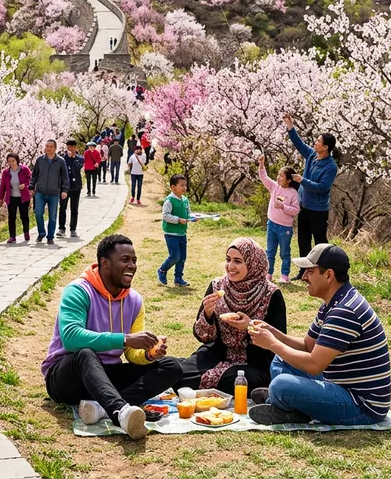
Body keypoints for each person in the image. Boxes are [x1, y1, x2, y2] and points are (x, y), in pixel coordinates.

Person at [41, 235, 183, 440]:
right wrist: (124, 339)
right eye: (125, 260)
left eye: (134, 260)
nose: (132, 266)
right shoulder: (78, 291)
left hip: (106, 378)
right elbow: (71, 338)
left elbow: (132, 354)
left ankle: (101, 408)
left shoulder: (134, 301)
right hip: (67, 378)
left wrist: (148, 355)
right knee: (85, 354)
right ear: (105, 263)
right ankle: (120, 412)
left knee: (171, 366)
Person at [248, 244, 391, 426]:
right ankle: (289, 404)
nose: (304, 277)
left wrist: (272, 344)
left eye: (310, 272)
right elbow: (308, 346)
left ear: (329, 275)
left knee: (280, 384)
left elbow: (315, 365)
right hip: (339, 385)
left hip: (361, 406)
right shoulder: (333, 303)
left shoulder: (344, 312)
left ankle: (284, 402)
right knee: (280, 361)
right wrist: (272, 332)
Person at [178, 238, 287, 396]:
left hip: (254, 361)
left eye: (238, 261)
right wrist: (207, 314)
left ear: (253, 263)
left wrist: (250, 326)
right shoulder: (217, 286)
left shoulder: (271, 294)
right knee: (179, 374)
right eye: (228, 259)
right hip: (216, 354)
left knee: (241, 383)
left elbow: (279, 340)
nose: (230, 266)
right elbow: (203, 337)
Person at [282, 115, 338, 279]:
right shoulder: (312, 156)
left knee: (320, 242)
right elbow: (299, 144)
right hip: (304, 205)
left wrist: (302, 180)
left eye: (318, 141)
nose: (315, 142)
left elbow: (322, 187)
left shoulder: (331, 167)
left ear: (325, 147)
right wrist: (290, 127)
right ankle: (304, 271)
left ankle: (325, 271)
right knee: (303, 240)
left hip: (318, 210)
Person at [258, 155, 300, 283]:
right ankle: (268, 274)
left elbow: (296, 210)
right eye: (278, 175)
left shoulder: (293, 193)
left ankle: (284, 275)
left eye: (281, 176)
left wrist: (283, 207)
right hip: (272, 224)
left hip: (285, 228)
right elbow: (264, 177)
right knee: (270, 251)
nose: (278, 177)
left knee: (284, 253)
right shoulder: (274, 187)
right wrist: (261, 164)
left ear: (288, 180)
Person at [29, 140, 69, 245]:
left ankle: (50, 237)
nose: (48, 148)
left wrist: (64, 190)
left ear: (55, 148)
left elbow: (65, 177)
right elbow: (34, 175)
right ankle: (41, 233)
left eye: (50, 146)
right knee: (38, 213)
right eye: (46, 146)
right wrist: (31, 187)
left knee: (52, 217)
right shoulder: (40, 160)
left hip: (54, 193)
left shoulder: (60, 161)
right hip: (40, 192)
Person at [156, 174, 191, 287]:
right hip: (171, 234)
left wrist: (192, 217)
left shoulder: (185, 200)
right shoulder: (169, 200)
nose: (184, 187)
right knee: (175, 256)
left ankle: (178, 278)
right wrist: (178, 220)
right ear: (173, 187)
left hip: (182, 233)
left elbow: (188, 213)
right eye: (182, 185)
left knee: (182, 258)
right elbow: (166, 215)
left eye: (185, 185)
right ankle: (162, 270)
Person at [0, 153, 32, 244]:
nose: (11, 163)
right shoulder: (6, 172)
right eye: (9, 161)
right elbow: (2, 186)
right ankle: (12, 236)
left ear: (17, 161)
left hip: (23, 197)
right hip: (11, 197)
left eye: (13, 161)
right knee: (11, 217)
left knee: (24, 216)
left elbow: (30, 178)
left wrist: (25, 184)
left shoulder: (24, 169)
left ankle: (26, 232)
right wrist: (1, 198)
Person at [59, 139, 84, 238]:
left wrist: (73, 159)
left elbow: (77, 168)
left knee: (74, 208)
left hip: (76, 186)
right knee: (62, 207)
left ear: (75, 147)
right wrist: (68, 158)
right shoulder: (62, 159)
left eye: (72, 147)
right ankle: (61, 228)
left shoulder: (79, 158)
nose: (70, 149)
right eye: (68, 147)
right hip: (64, 187)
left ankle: (73, 229)